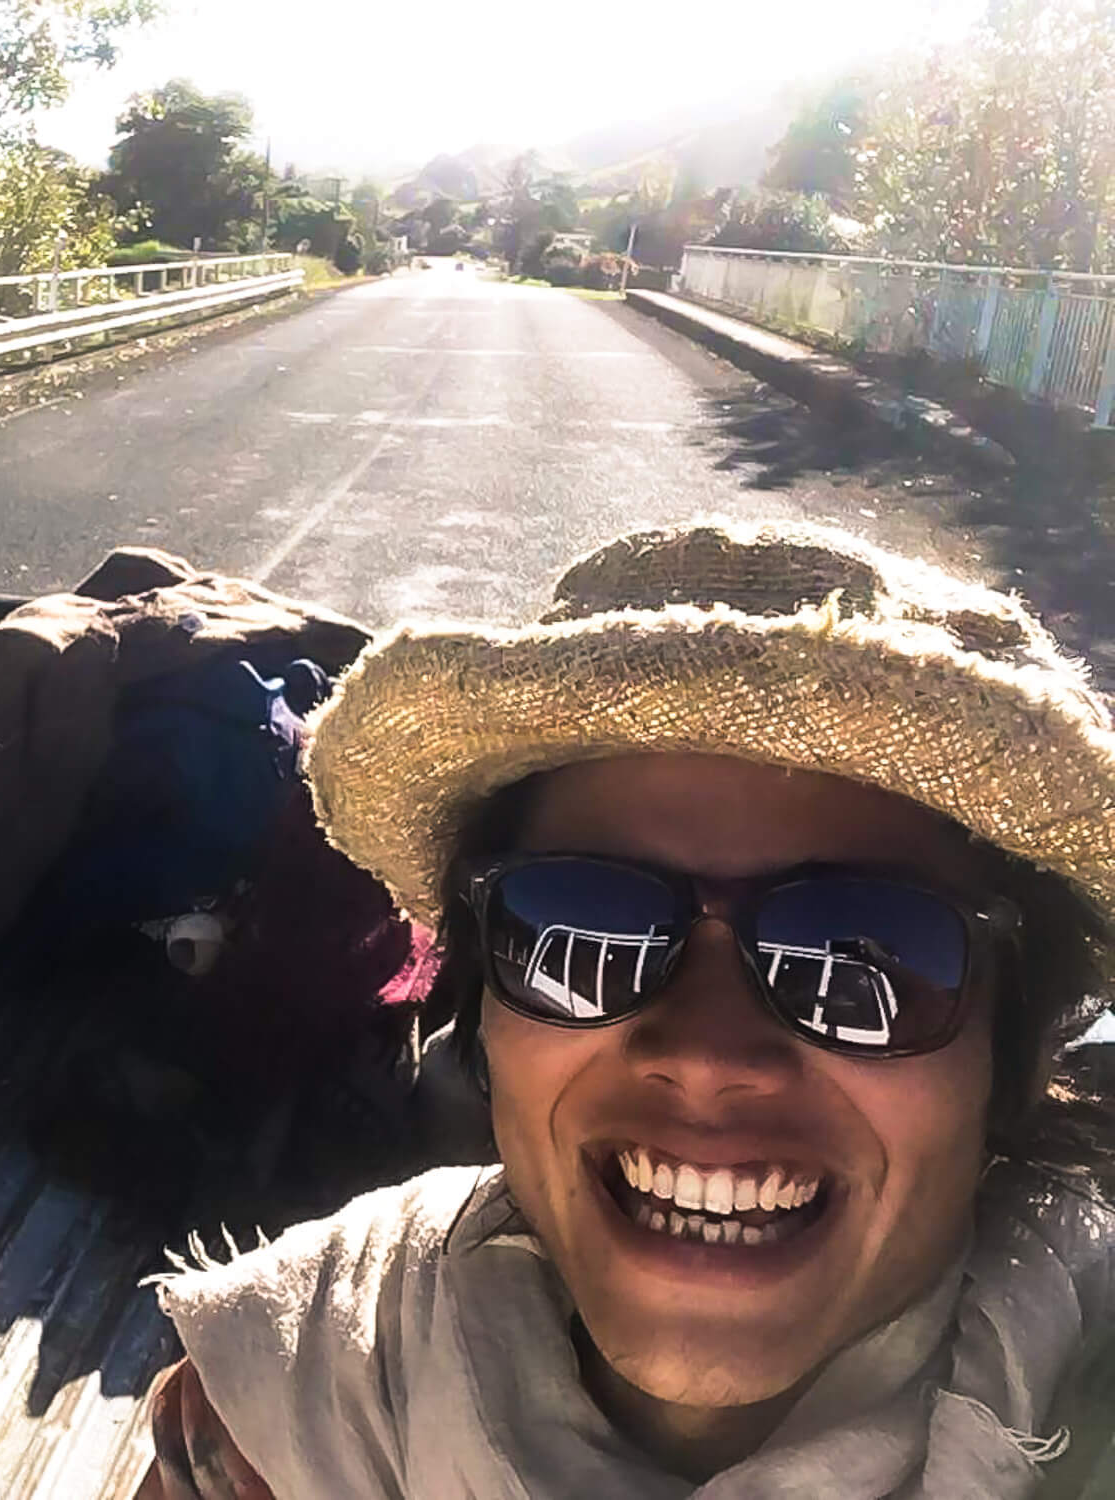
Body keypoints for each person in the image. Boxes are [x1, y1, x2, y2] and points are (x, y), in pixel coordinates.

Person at [138, 519, 1115, 1499]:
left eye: (858, 959)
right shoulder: (277, 1400)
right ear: (484, 1022)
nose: (704, 1055)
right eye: (578, 934)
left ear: (1009, 1058)